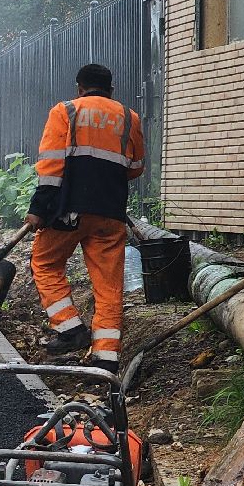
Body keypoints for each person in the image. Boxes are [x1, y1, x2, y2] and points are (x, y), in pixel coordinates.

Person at [25, 63, 145, 373]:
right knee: (108, 286)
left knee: (45, 263)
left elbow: (51, 168)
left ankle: (69, 327)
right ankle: (105, 360)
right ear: (111, 90)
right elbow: (135, 167)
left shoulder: (65, 111)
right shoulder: (129, 118)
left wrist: (39, 209)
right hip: (111, 214)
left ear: (80, 88)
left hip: (69, 212)